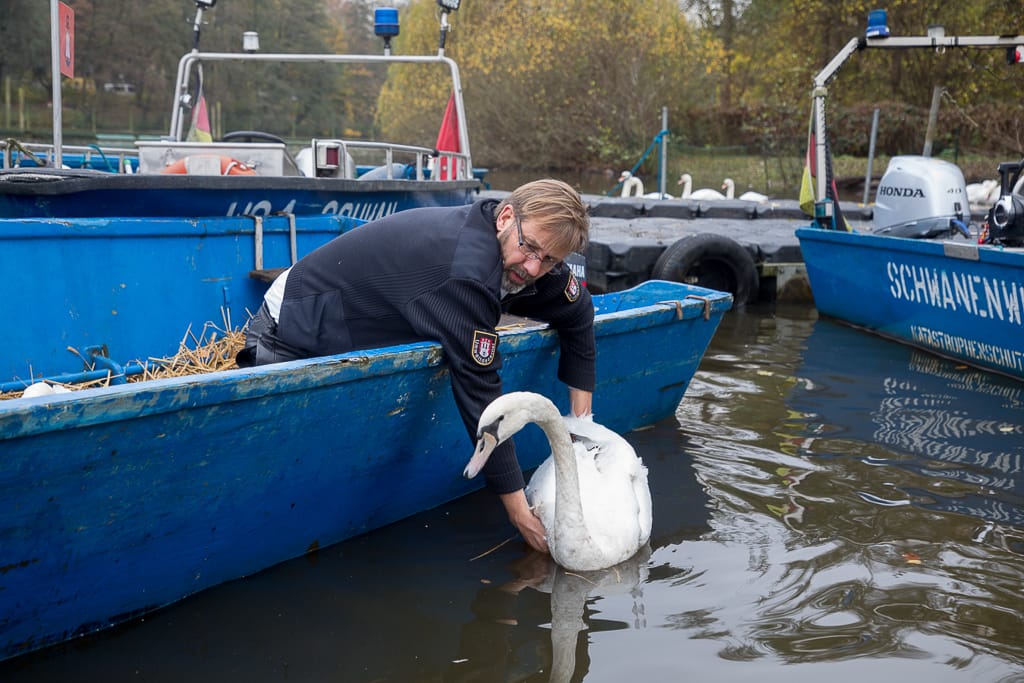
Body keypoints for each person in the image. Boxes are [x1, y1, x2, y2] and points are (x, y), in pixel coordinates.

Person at [237, 179, 595, 553]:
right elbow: (482, 397)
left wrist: (580, 429)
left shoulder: (527, 248)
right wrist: (521, 515)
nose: (534, 267)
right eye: (530, 249)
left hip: (372, 304)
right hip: (295, 322)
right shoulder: (466, 273)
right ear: (506, 217)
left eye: (550, 260)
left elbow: (578, 309)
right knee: (287, 465)